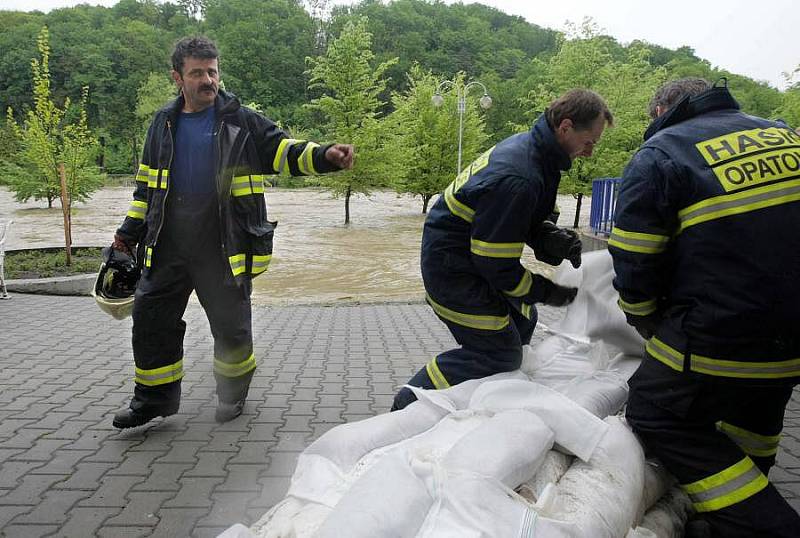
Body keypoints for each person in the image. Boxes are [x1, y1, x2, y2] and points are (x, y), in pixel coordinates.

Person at [111, 36, 353, 428]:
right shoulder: (162, 123)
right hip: (167, 245)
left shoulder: (240, 119)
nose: (208, 80)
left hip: (224, 245)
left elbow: (282, 151)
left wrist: (324, 156)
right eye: (197, 73)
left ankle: (232, 393)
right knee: (151, 320)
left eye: (213, 71)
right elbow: (147, 188)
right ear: (178, 77)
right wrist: (127, 234)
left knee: (231, 327)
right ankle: (153, 399)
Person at [610, 78, 800, 537]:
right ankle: (728, 521)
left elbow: (636, 261)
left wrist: (649, 319)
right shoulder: (787, 134)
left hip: (726, 332)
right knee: (756, 413)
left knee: (654, 410)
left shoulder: (662, 155)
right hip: (791, 338)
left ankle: (766, 523)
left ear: (659, 112)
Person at [391, 89, 613, 411]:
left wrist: (550, 238)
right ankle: (410, 398)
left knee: (524, 318)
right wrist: (547, 291)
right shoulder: (522, 174)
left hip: (465, 259)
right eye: (589, 142)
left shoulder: (537, 155)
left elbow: (517, 219)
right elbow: (496, 264)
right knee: (498, 350)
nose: (589, 153)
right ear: (565, 128)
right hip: (452, 272)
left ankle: (490, 393)